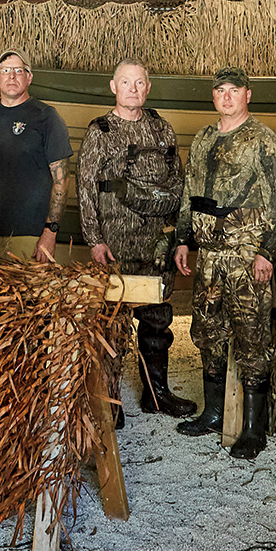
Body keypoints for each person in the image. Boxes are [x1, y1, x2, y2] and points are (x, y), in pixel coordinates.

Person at [173, 67, 276, 460]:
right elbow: (191, 193)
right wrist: (183, 240)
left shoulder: (263, 141)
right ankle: (212, 413)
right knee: (208, 332)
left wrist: (266, 252)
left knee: (252, 338)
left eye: (234, 91)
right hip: (208, 256)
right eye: (220, 91)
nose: (226, 97)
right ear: (214, 97)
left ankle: (254, 429)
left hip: (245, 256)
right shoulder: (204, 138)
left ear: (247, 95)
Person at [77, 59, 195, 420]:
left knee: (158, 320)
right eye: (126, 82)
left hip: (157, 244)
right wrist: (94, 240)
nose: (133, 89)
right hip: (115, 243)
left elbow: (180, 186)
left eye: (139, 83)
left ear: (148, 88)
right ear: (113, 87)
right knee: (112, 322)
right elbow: (85, 187)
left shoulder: (162, 130)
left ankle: (156, 394)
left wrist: (177, 238)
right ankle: (110, 402)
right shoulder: (101, 131)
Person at [0, 48, 72, 262]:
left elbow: (62, 181)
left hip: (30, 235)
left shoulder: (47, 118)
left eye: (19, 70)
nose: (12, 75)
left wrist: (50, 232)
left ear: (29, 77)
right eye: (6, 70)